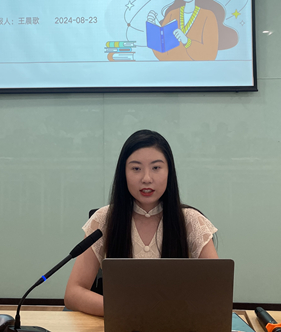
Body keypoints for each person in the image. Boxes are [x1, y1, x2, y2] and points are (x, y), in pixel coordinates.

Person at [64, 129, 218, 316]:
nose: (146, 178)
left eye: (156, 168)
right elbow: (73, 293)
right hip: (121, 322)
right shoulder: (104, 219)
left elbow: (217, 292)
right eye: (136, 169)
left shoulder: (191, 221)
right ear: (123, 173)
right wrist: (130, 310)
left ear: (169, 172)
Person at [147, 0, 238, 61]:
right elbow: (162, 53)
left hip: (198, 68)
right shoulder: (172, 14)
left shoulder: (208, 16)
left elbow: (210, 54)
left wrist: (187, 41)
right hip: (173, 67)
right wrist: (153, 28)